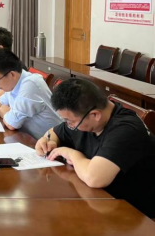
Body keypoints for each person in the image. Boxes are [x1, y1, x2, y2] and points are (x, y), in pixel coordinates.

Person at [36, 78, 155, 218]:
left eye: (70, 121)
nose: (69, 125)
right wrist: (48, 140)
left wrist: (72, 154)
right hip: (100, 200)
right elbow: (54, 132)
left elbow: (95, 178)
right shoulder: (84, 117)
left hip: (135, 214)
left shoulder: (126, 129)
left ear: (95, 115)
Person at [0, 49, 61, 139]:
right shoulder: (14, 82)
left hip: (52, 142)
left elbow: (12, 124)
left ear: (12, 74)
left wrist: (4, 112)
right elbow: (1, 101)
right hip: (31, 138)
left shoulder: (30, 85)